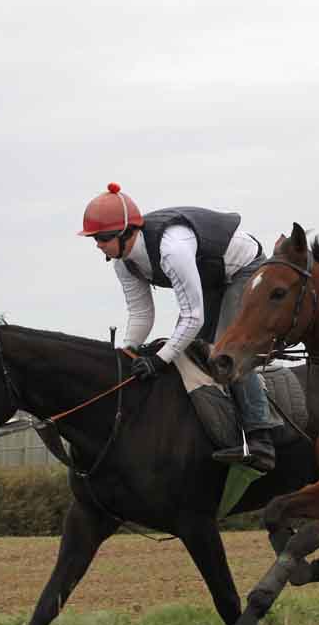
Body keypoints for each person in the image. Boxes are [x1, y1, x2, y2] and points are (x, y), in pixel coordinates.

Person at [79, 182, 280, 471]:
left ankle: (261, 437)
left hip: (244, 268)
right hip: (210, 277)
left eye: (102, 237)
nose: (98, 244)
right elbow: (141, 314)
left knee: (226, 349)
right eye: (94, 238)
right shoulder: (124, 263)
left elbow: (193, 317)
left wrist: (158, 360)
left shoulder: (172, 250)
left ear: (127, 233)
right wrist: (128, 352)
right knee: (188, 348)